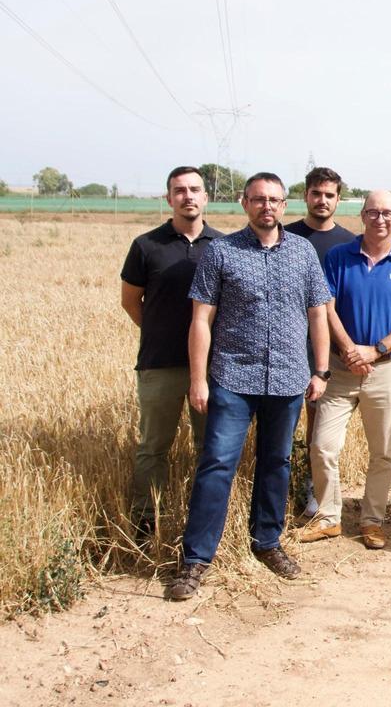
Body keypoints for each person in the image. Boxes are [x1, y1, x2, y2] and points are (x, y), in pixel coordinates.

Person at [168, 172, 332, 600]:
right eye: (259, 199)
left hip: (287, 378)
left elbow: (318, 314)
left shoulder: (303, 253)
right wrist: (199, 379)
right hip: (232, 379)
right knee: (217, 463)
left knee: (276, 462)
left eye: (275, 200)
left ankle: (267, 542)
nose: (267, 207)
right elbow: (200, 319)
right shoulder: (221, 253)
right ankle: (195, 560)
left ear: (284, 205)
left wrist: (320, 371)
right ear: (245, 203)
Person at [301, 191, 391, 550]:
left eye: (387, 213)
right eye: (373, 212)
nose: (380, 219)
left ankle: (372, 520)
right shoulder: (339, 258)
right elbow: (327, 308)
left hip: (386, 369)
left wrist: (376, 350)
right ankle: (328, 516)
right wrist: (349, 350)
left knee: (382, 451)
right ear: (362, 215)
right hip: (341, 371)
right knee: (323, 445)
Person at [119, 166, 222, 541]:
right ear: (169, 198)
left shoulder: (224, 245)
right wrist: (160, 331)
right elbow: (131, 302)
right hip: (159, 364)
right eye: (180, 190)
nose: (188, 196)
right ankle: (145, 520)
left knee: (208, 447)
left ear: (206, 198)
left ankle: (202, 516)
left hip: (212, 368)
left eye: (195, 189)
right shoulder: (147, 245)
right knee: (153, 447)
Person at [284, 167, 356, 518]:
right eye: (316, 193)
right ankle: (281, 488)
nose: (322, 200)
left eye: (329, 195)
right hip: (285, 348)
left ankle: (311, 488)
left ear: (338, 199)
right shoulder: (285, 236)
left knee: (317, 425)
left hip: (324, 353)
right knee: (280, 425)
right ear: (306, 196)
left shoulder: (348, 243)